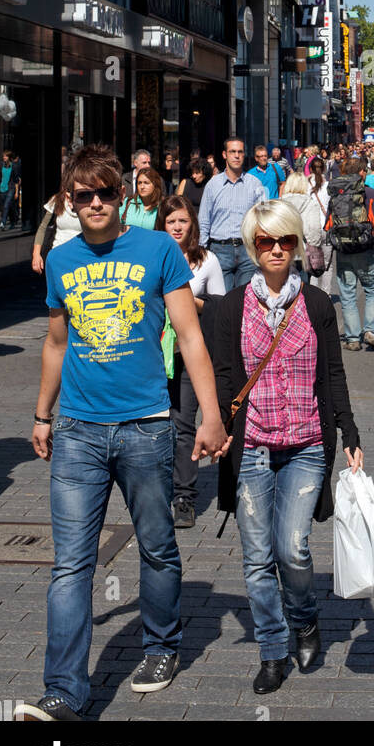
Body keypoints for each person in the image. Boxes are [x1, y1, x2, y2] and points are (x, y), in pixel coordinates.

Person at [14, 145, 228, 722]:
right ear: (70, 201)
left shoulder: (158, 248)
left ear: (123, 194)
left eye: (107, 192)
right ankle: (63, 690)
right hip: (78, 430)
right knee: (71, 564)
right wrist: (41, 413)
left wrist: (210, 414)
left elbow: (189, 336)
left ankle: (161, 644)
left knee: (156, 547)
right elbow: (57, 343)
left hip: (146, 426)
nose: (97, 203)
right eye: (85, 195)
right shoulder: (60, 260)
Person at [211, 199, 363, 694]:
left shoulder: (317, 304)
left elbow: (333, 374)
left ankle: (304, 618)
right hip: (252, 445)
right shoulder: (231, 306)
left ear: (298, 245)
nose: (276, 250)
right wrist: (215, 429)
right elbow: (224, 375)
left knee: (292, 549)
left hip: (306, 446)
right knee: (257, 560)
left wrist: (350, 432)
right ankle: (272, 651)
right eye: (265, 241)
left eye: (286, 241)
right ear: (253, 246)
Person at [157, 195, 226, 528]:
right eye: (170, 222)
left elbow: (220, 309)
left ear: (192, 225)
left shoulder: (207, 261)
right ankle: (155, 490)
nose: (176, 227)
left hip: (186, 354)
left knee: (183, 424)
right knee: (155, 424)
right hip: (153, 353)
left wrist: (186, 301)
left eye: (182, 221)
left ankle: (183, 496)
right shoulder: (152, 256)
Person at [326, 158, 374, 351]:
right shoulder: (368, 192)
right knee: (372, 290)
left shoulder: (336, 192)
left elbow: (328, 223)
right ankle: (371, 331)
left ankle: (352, 338)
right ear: (360, 172)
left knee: (348, 294)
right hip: (365, 249)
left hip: (343, 250)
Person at [198, 137, 266, 291]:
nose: (236, 155)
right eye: (232, 152)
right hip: (219, 250)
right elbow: (204, 221)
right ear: (224, 155)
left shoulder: (255, 184)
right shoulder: (212, 185)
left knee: (246, 301)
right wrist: (201, 250)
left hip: (247, 250)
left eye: (240, 152)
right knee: (223, 301)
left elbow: (262, 219)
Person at [280, 172, 324, 275]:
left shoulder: (279, 203)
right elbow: (313, 229)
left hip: (283, 251)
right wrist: (314, 246)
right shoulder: (310, 204)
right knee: (302, 287)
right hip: (303, 252)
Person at [32, 187, 82, 274]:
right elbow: (43, 227)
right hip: (58, 257)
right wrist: (36, 254)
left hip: (81, 259)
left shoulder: (89, 200)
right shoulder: (57, 199)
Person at [308, 157, 334, 294]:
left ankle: (312, 296)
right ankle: (326, 295)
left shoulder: (306, 185)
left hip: (311, 228)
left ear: (310, 169)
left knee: (312, 265)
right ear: (324, 169)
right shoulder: (328, 186)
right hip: (326, 227)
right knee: (327, 266)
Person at [0, 149, 21, 230]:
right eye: (3, 156)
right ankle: (13, 220)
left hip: (11, 188)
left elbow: (16, 180)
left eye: (6, 156)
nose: (4, 157)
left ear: (9, 157)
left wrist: (17, 192)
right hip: (2, 188)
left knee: (6, 205)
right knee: (8, 206)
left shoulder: (14, 166)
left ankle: (2, 223)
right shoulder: (1, 165)